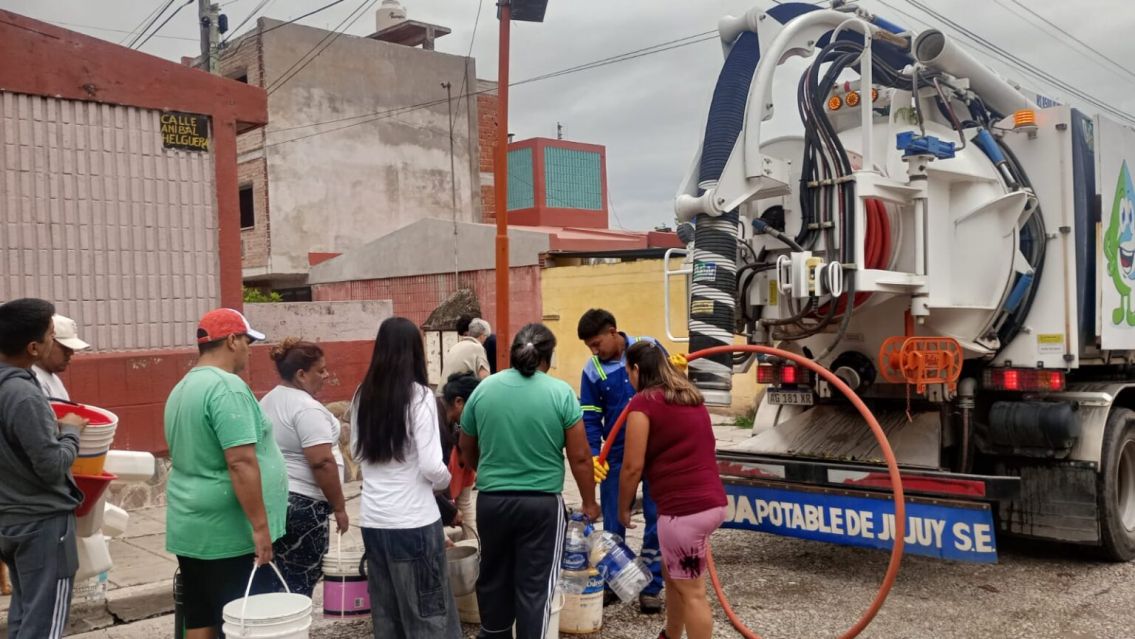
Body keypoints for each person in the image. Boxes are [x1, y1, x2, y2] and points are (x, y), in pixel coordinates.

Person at [460, 323, 600, 639]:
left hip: (493, 502)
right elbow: (579, 457)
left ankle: (493, 633)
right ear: (547, 358)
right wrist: (590, 502)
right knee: (535, 585)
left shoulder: (484, 390)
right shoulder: (560, 393)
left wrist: (486, 471)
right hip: (542, 506)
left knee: (494, 575)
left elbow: (466, 447)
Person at [164, 308, 289, 639]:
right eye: (248, 341)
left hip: (192, 525)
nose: (250, 349)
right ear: (232, 340)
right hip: (229, 534)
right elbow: (241, 461)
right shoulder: (227, 387)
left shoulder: (183, 387)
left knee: (201, 614)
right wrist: (260, 528)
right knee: (244, 622)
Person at [351, 317, 461, 639]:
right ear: (414, 351)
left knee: (389, 617)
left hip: (373, 521)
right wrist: (446, 479)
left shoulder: (362, 395)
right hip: (413, 523)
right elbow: (430, 466)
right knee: (430, 618)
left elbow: (357, 453)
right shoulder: (420, 396)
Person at [617, 342, 727, 639]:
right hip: (711, 504)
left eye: (628, 372)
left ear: (637, 370)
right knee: (672, 572)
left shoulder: (643, 403)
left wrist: (623, 507)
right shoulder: (691, 398)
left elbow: (631, 467)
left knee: (693, 592)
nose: (628, 378)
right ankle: (671, 633)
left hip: (683, 514)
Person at [0, 298, 89, 639]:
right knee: (44, 625)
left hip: (11, 519)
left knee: (24, 616)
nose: (57, 343)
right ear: (34, 347)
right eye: (53, 336)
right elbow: (52, 466)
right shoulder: (23, 395)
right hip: (42, 524)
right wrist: (70, 432)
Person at [577, 308, 665, 612]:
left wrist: (678, 371)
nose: (594, 350)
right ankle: (617, 582)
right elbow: (590, 417)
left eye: (597, 343)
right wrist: (592, 454)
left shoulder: (649, 347)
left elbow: (671, 385)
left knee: (657, 519)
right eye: (590, 346)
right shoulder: (593, 370)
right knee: (614, 524)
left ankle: (651, 587)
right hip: (615, 454)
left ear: (614, 332)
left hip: (655, 451)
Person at [259, 338, 348, 597]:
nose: (326, 374)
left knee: (277, 581)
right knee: (299, 583)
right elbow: (321, 461)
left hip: (276, 501)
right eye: (320, 370)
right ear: (301, 375)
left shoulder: (268, 401)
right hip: (304, 508)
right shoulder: (307, 409)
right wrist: (340, 507)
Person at [441, 372, 480, 537]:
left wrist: (474, 542)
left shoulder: (469, 463)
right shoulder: (444, 446)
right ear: (458, 402)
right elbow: (427, 493)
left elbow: (465, 504)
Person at [32, 314, 90, 401]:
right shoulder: (34, 381)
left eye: (71, 348)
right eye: (64, 347)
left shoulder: (51, 376)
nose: (70, 353)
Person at [441, 318, 492, 382]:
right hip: (458, 391)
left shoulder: (455, 346)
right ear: (482, 336)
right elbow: (485, 378)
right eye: (486, 336)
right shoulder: (478, 348)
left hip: (443, 390)